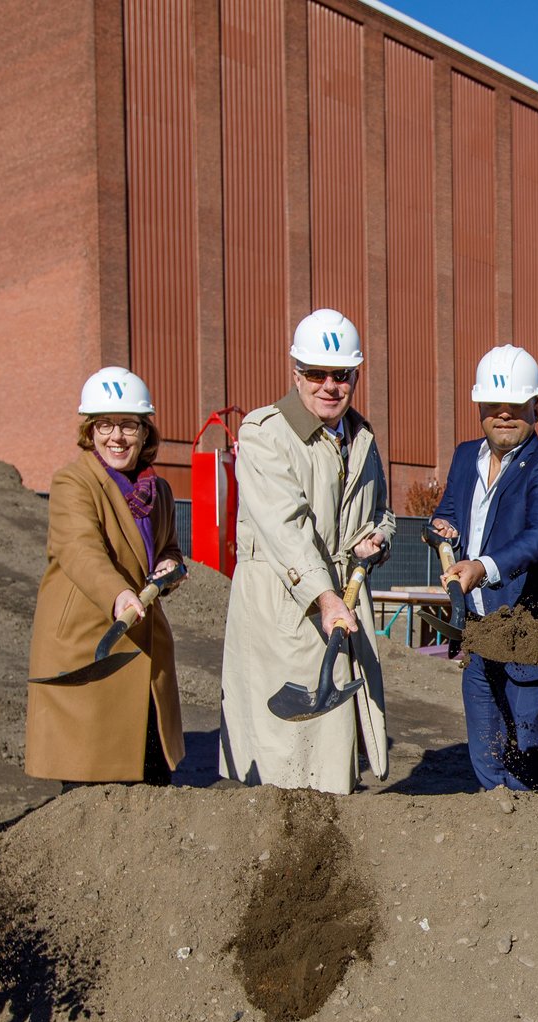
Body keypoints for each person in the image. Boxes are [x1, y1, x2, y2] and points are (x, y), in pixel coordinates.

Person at [219, 309, 392, 793]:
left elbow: (382, 512)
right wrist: (323, 595)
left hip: (339, 597)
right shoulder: (264, 433)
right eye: (316, 373)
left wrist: (378, 538)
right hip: (284, 600)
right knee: (286, 753)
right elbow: (285, 527)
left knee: (333, 750)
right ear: (295, 372)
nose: (329, 386)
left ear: (355, 376)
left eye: (341, 375)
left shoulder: (361, 438)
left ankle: (326, 840)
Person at [25, 368, 186, 786]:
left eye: (128, 425)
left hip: (143, 639)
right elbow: (79, 549)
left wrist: (169, 565)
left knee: (149, 773)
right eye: (104, 425)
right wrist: (117, 594)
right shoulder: (73, 482)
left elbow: (164, 547)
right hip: (91, 638)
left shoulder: (159, 491)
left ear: (145, 431)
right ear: (90, 431)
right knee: (90, 774)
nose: (116, 436)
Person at [430, 344, 538, 792]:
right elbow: (449, 514)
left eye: (515, 405)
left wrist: (484, 566)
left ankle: (532, 840)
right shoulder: (463, 457)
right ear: (479, 407)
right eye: (493, 406)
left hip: (530, 629)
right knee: (484, 745)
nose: (504, 414)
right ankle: (498, 837)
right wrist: (440, 529)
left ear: (536, 407)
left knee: (526, 752)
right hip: (478, 628)